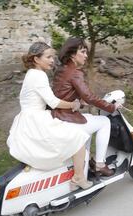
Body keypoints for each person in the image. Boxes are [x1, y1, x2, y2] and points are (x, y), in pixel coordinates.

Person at [7, 41, 93, 190]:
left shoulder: (31, 74)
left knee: (67, 142)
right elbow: (53, 102)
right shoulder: (39, 76)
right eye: (48, 57)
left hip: (27, 120)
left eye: (53, 57)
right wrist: (74, 104)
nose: (52, 60)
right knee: (78, 139)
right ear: (36, 59)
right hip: (37, 121)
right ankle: (78, 178)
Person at [51, 37, 121, 178]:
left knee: (90, 120)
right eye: (82, 52)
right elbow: (89, 96)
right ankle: (100, 164)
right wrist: (112, 107)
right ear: (72, 54)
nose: (86, 55)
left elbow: (63, 93)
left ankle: (86, 164)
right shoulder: (75, 73)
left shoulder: (61, 70)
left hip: (58, 118)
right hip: (67, 120)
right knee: (104, 122)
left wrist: (79, 101)